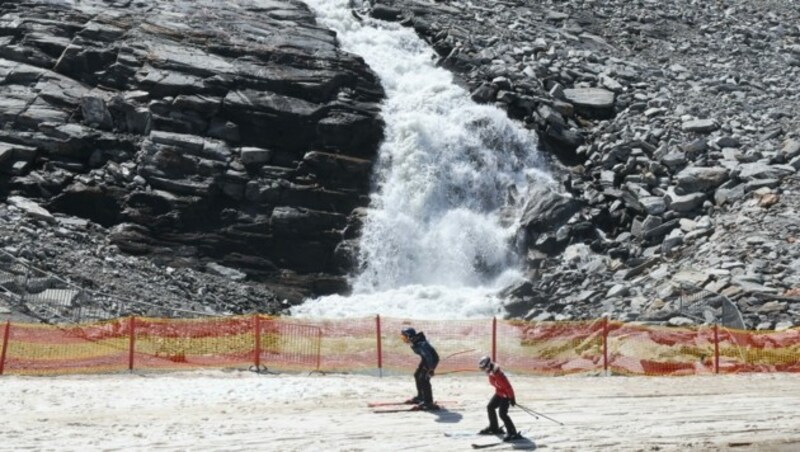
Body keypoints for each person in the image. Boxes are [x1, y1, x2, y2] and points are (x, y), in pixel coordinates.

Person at [478, 355, 521, 442]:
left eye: (483, 368)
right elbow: (498, 386)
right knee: (490, 407)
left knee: (502, 414)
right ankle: (494, 428)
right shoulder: (491, 372)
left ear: (487, 366)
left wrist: (512, 398)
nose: (483, 371)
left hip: (506, 395)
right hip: (499, 393)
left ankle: (512, 432)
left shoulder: (498, 374)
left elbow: (508, 387)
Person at [401, 327, 439, 410]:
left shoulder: (421, 344)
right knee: (417, 375)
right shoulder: (414, 341)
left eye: (404, 337)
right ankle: (421, 397)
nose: (403, 339)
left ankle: (428, 402)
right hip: (426, 359)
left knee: (424, 379)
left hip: (431, 360)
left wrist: (431, 369)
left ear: (409, 336)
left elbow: (429, 356)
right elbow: (425, 356)